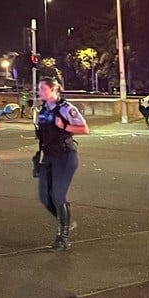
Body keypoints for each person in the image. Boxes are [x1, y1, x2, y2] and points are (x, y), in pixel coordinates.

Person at [34, 76, 89, 251]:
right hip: (48, 155)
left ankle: (63, 237)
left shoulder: (66, 109)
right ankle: (65, 219)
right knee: (44, 196)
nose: (39, 91)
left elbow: (84, 129)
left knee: (58, 195)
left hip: (65, 155)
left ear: (53, 90)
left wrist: (64, 126)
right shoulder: (41, 109)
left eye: (42, 88)